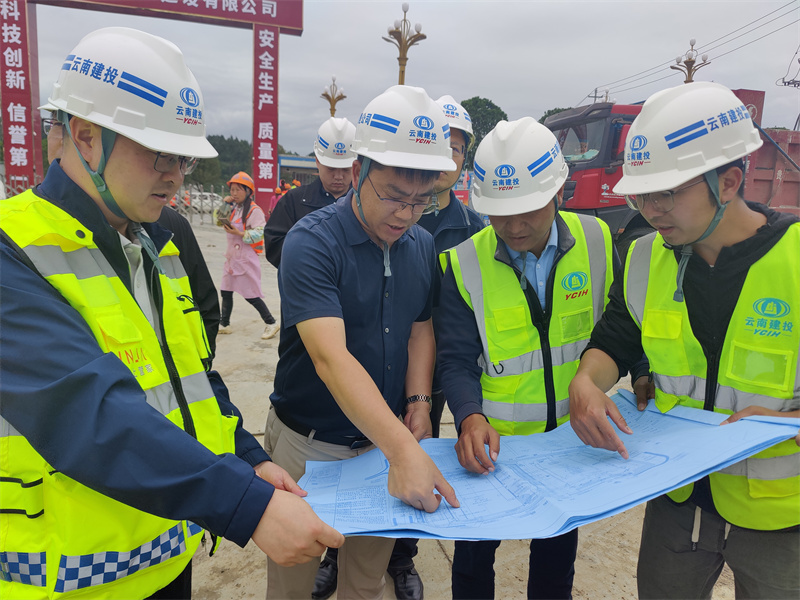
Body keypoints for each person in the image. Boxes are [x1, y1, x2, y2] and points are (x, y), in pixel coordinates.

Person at [0, 27, 343, 600]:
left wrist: (248, 459)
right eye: (159, 153)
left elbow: (194, 379)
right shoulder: (15, 251)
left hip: (166, 559)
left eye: (182, 157)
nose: (176, 175)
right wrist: (248, 507)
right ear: (85, 137)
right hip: (70, 583)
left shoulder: (157, 247)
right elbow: (91, 413)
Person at [567, 82, 800, 599]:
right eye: (641, 194)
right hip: (679, 500)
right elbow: (617, 339)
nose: (651, 209)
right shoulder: (645, 257)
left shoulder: (796, 261)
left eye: (667, 192)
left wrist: (783, 424)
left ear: (730, 181)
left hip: (782, 518)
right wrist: (587, 379)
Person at [265, 84, 460, 600]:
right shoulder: (311, 242)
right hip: (309, 444)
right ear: (357, 173)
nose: (405, 214)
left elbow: (421, 325)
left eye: (421, 202)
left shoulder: (419, 245)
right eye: (394, 196)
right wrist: (406, 452)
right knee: (293, 581)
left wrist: (418, 402)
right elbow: (330, 359)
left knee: (365, 578)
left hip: (379, 445)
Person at [437, 117, 615, 599]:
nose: (514, 227)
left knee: (556, 560)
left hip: (570, 442)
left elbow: (621, 326)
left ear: (558, 191)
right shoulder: (463, 262)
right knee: (474, 558)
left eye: (528, 211)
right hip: (492, 447)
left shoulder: (598, 242)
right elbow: (453, 358)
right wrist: (470, 417)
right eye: (499, 214)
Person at [264, 117, 356, 268]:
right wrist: (310, 267)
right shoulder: (294, 201)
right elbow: (274, 243)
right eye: (331, 168)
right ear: (318, 161)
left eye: (346, 169)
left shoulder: (365, 201)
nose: (338, 176)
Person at [218, 171, 279, 340]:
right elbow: (218, 220)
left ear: (248, 191)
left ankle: (271, 323)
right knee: (226, 290)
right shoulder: (234, 208)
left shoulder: (254, 210)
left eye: (238, 190)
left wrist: (239, 232)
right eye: (232, 190)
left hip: (245, 259)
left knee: (251, 294)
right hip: (232, 257)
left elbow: (261, 233)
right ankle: (224, 324)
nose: (234, 193)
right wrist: (224, 204)